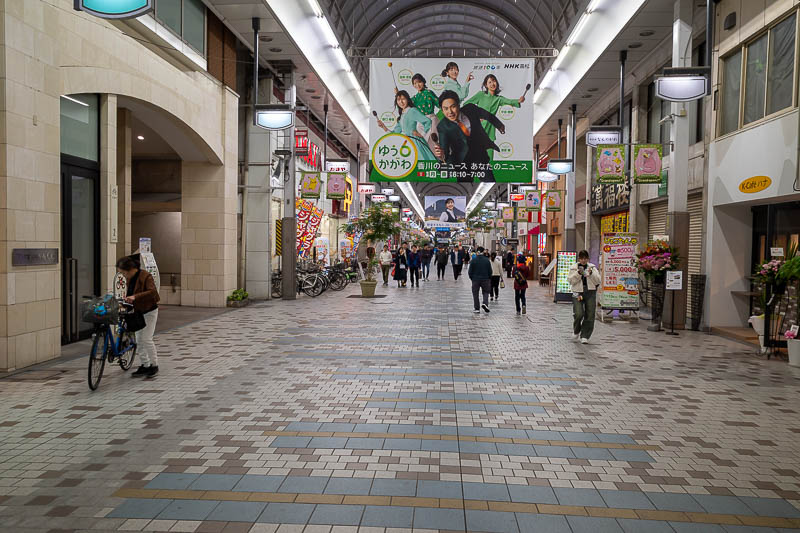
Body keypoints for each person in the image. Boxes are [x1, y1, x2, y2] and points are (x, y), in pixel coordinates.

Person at [433, 90, 506, 182]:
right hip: (462, 164)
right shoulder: (443, 127)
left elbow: (486, 115)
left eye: (453, 107)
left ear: (458, 105)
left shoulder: (470, 109)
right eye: (446, 109)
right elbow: (445, 150)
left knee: (490, 183)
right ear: (442, 110)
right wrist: (441, 157)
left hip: (481, 158)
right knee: (463, 194)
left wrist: (499, 125)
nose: (450, 112)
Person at [116, 256, 161, 378]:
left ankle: (154, 365)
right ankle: (145, 365)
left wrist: (135, 297)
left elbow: (152, 292)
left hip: (150, 311)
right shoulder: (130, 278)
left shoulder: (145, 276)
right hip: (137, 312)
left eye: (123, 272)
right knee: (139, 339)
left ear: (131, 269)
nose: (123, 275)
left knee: (146, 338)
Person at [464, 74, 525, 160]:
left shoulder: (498, 99)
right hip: (477, 130)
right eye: (489, 82)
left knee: (489, 160)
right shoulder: (480, 95)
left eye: (494, 81)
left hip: (490, 131)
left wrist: (518, 101)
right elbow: (466, 104)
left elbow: (509, 101)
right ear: (486, 85)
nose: (492, 84)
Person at [377, 90, 437, 162]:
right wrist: (384, 127)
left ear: (408, 100)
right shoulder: (402, 115)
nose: (401, 102)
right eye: (399, 100)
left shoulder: (412, 111)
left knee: (420, 165)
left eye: (403, 99)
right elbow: (395, 133)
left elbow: (427, 121)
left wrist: (422, 134)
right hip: (406, 143)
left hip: (415, 142)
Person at [568, 250, 601, 344]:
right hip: (577, 292)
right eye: (581, 258)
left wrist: (591, 274)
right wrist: (578, 273)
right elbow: (570, 281)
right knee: (578, 313)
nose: (583, 260)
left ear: (588, 259)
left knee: (590, 314)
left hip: (590, 292)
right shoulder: (574, 268)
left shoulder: (592, 268)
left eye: (585, 258)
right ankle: (576, 330)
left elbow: (598, 281)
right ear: (579, 259)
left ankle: (585, 335)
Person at [468, 246, 492, 314]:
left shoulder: (473, 260)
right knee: (486, 292)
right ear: (483, 251)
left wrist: (472, 278)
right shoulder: (487, 260)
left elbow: (470, 271)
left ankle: (476, 308)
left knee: (475, 294)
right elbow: (490, 271)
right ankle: (485, 303)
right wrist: (489, 278)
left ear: (477, 252)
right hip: (485, 279)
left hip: (475, 279)